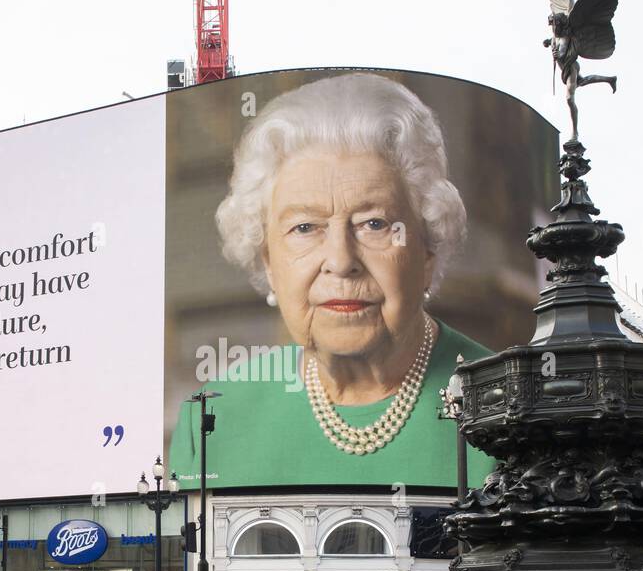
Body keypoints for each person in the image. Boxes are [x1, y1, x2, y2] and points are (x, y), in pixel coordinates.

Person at [169, 72, 493, 489]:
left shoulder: (510, 405)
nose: (341, 262)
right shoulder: (211, 418)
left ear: (427, 248)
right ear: (268, 261)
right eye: (305, 228)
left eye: (374, 223)